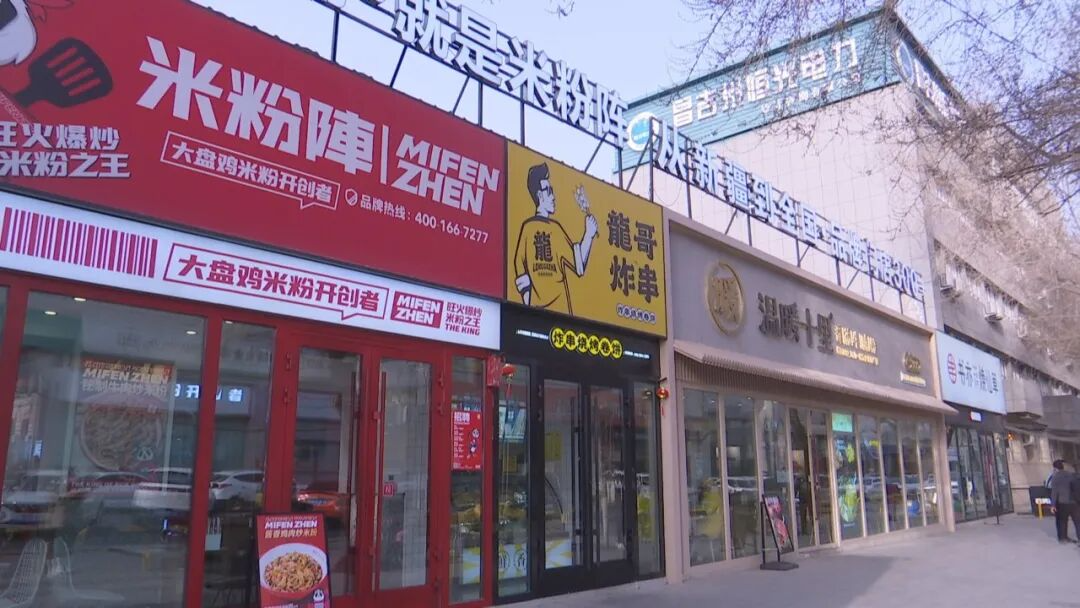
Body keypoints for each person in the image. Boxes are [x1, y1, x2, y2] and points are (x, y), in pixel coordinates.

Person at [512, 163, 598, 314]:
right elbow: (520, 271)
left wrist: (589, 235)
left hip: (560, 314)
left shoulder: (554, 228)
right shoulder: (528, 228)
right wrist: (589, 235)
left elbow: (578, 265)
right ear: (539, 195)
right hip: (549, 315)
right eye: (549, 191)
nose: (553, 197)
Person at [1048, 459, 1078, 544]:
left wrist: (1053, 505)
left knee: (1062, 521)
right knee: (1077, 522)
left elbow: (1054, 492)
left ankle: (1063, 538)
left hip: (1062, 503)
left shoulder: (1055, 477)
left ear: (1055, 468)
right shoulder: (1071, 475)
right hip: (1074, 502)